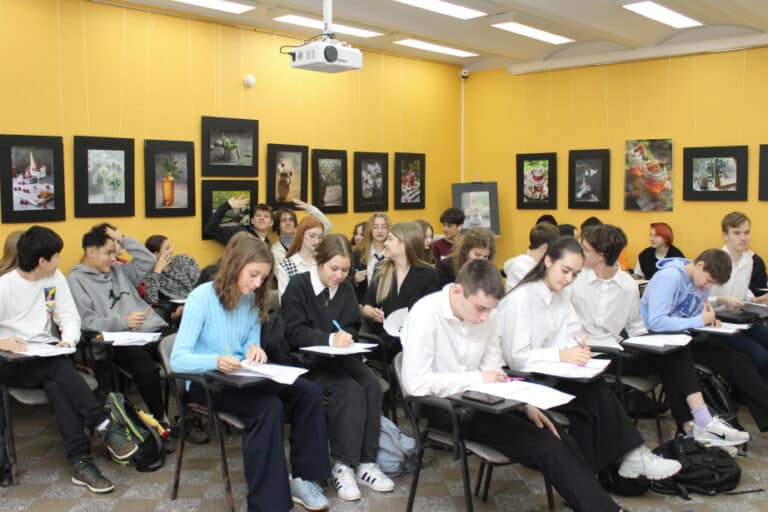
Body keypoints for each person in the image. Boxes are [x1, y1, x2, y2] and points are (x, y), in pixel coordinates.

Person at [401, 259, 628, 512]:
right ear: (457, 292)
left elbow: (495, 372)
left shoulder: (488, 316)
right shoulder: (425, 313)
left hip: (484, 400)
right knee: (546, 446)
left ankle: (599, 505)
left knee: (559, 436)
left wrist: (521, 404)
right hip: (445, 409)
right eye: (480, 308)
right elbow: (416, 384)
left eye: (490, 310)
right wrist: (479, 379)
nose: (485, 317)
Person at [171, 232, 331, 512]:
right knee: (268, 408)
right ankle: (267, 504)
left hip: (241, 375)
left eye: (263, 277)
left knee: (309, 392)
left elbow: (249, 342)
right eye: (253, 274)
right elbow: (178, 360)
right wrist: (216, 360)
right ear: (235, 265)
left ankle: (304, 479)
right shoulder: (201, 298)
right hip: (205, 381)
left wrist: (254, 349)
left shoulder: (251, 298)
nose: (258, 284)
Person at [498, 236, 682, 479]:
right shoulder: (520, 299)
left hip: (554, 371)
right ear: (548, 261)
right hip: (526, 381)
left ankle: (610, 468)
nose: (569, 279)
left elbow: (573, 333)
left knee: (592, 397)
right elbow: (516, 359)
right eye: (565, 271)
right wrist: (561, 354)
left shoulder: (561, 295)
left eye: (575, 274)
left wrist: (579, 348)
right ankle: (631, 457)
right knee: (594, 395)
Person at [571, 225, 746, 440]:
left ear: (600, 256)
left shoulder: (627, 285)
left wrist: (652, 342)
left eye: (585, 249)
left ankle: (694, 427)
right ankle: (698, 425)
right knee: (676, 356)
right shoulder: (574, 280)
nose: (580, 253)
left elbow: (635, 326)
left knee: (674, 350)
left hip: (616, 349)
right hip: (586, 353)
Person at [0, 226, 138, 494]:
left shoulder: (54, 279)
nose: (60, 260)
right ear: (42, 261)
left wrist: (68, 340)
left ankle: (80, 462)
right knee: (58, 368)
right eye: (57, 256)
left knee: (58, 380)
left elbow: (69, 317)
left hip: (46, 356)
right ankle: (104, 424)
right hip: (11, 363)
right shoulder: (5, 286)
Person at [281, 234, 394, 502]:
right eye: (334, 269)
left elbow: (353, 324)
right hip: (307, 362)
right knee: (348, 390)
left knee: (371, 384)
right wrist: (330, 339)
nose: (339, 276)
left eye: (345, 270)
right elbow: (293, 332)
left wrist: (347, 337)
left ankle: (366, 463)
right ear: (319, 262)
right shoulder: (298, 286)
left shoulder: (344, 288)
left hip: (340, 358)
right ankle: (343, 465)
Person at [641, 248, 762, 436]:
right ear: (700, 265)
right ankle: (702, 426)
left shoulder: (699, 282)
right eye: (709, 280)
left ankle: (745, 421)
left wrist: (708, 319)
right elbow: (656, 322)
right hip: (659, 340)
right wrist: (699, 320)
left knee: (738, 360)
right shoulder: (670, 277)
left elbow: (692, 314)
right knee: (681, 361)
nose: (707, 286)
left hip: (685, 336)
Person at [67, 224, 169, 425]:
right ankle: (161, 419)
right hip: (119, 340)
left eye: (115, 252)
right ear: (90, 252)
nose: (114, 258)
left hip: (151, 330)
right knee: (146, 369)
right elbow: (88, 321)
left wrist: (121, 238)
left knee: (185, 352)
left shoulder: (120, 271)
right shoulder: (76, 279)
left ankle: (192, 411)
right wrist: (123, 321)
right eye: (108, 253)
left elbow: (149, 260)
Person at [704, 212, 768, 381]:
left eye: (746, 232)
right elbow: (698, 300)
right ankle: (751, 391)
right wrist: (721, 300)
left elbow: (742, 290)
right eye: (737, 233)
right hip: (716, 322)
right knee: (760, 355)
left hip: (739, 318)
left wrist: (754, 299)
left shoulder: (749, 260)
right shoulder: (714, 261)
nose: (743, 238)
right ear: (725, 236)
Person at [362, 222, 439, 360]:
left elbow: (433, 315)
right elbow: (366, 306)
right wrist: (372, 313)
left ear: (404, 244)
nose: (385, 243)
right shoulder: (381, 271)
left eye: (390, 239)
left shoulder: (429, 275)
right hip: (382, 344)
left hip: (414, 344)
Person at [143, 235, 201, 324]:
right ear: (156, 254)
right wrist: (157, 271)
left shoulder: (183, 260)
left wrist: (187, 304)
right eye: (167, 249)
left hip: (194, 301)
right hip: (171, 308)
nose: (172, 250)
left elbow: (200, 283)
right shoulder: (150, 274)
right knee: (156, 314)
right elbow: (151, 300)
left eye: (170, 247)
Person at [271, 199, 332, 266]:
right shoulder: (275, 251)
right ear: (278, 226)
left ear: (295, 223)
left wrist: (309, 208)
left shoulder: (307, 238)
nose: (288, 223)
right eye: (284, 220)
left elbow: (327, 225)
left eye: (291, 220)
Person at [503, 222, 560, 291]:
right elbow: (542, 292)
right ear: (544, 247)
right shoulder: (521, 267)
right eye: (554, 248)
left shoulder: (536, 265)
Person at [276, 216, 325, 296]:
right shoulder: (286, 266)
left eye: (320, 237)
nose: (316, 241)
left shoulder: (323, 262)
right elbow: (284, 300)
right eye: (312, 236)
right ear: (301, 235)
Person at [352, 213, 391, 303]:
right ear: (370, 229)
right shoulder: (358, 253)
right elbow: (346, 280)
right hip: (364, 304)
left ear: (389, 229)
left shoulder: (394, 253)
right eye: (375, 227)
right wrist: (355, 279)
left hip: (389, 303)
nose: (380, 231)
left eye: (384, 227)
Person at [203, 196, 273, 246]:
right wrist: (227, 205)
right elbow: (210, 229)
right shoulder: (240, 234)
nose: (262, 218)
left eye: (266, 216)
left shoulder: (267, 244)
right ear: (252, 221)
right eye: (258, 215)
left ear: (271, 223)